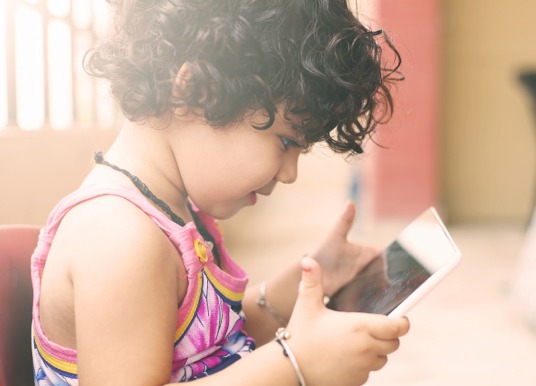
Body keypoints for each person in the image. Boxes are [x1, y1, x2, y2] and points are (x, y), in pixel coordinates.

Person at [31, 0, 410, 385]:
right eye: (285, 142)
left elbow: (209, 344)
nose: (291, 173)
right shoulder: (118, 237)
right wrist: (296, 365)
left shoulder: (176, 214)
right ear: (196, 91)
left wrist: (300, 283)